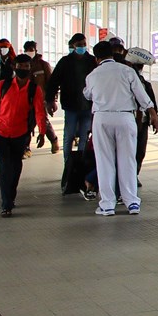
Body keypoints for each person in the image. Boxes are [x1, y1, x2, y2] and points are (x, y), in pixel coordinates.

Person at [82, 41, 152, 217]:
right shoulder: (127, 71)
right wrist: (152, 112)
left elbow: (88, 94)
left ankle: (107, 205)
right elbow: (141, 94)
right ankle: (132, 202)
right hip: (125, 117)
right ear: (112, 54)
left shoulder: (93, 75)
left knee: (104, 162)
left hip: (102, 118)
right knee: (128, 160)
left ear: (97, 58)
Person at [0, 51, 48, 217]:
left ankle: (10, 195)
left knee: (16, 166)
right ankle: (6, 204)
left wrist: (42, 132)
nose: (23, 69)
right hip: (1, 132)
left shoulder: (34, 89)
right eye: (20, 66)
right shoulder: (3, 85)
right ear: (14, 67)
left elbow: (40, 112)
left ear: (30, 68)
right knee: (5, 167)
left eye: (26, 66)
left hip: (20, 134)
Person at [47, 33, 97, 195]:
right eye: (79, 44)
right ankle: (68, 164)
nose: (82, 46)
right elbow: (54, 81)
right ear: (73, 45)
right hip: (71, 106)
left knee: (84, 136)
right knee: (68, 136)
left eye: (84, 43)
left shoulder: (92, 61)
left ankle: (79, 165)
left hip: (88, 106)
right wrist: (50, 100)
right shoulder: (65, 62)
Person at [122, 48, 158, 176]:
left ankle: (134, 175)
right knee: (128, 151)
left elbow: (150, 101)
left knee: (140, 151)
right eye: (138, 65)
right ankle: (127, 176)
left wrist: (153, 116)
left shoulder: (144, 83)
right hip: (128, 120)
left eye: (141, 66)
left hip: (142, 121)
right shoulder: (123, 80)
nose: (140, 68)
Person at [22, 42, 60, 153]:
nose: (29, 52)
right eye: (27, 50)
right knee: (27, 123)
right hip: (26, 100)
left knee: (43, 122)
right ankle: (26, 148)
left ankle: (54, 140)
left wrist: (52, 100)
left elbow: (51, 84)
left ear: (36, 50)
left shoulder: (43, 65)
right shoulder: (23, 65)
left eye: (31, 49)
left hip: (41, 100)